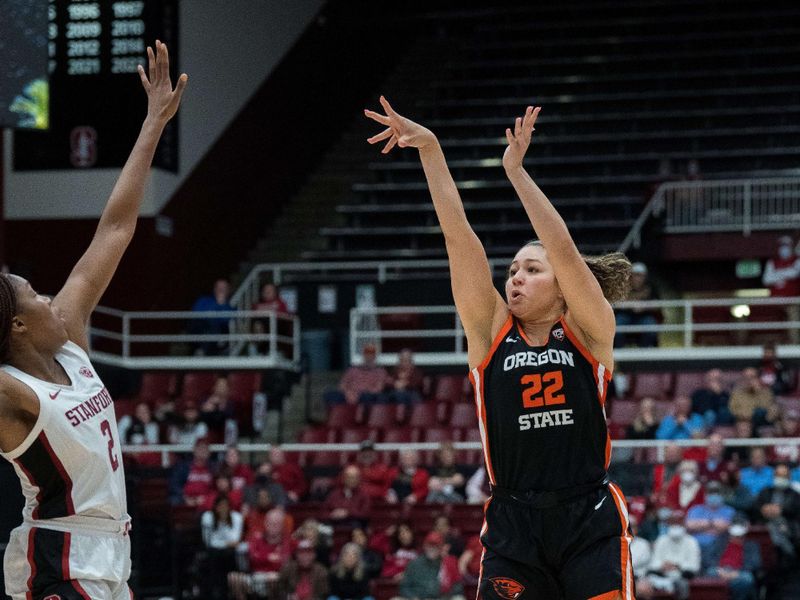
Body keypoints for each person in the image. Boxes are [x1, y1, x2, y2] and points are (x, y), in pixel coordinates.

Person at [366, 98, 634, 599]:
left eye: (532, 270)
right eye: (512, 270)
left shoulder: (591, 329)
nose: (516, 278)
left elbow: (566, 253)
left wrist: (516, 172)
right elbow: (458, 238)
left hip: (588, 518)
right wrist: (430, 149)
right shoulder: (490, 332)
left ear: (561, 286)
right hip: (514, 521)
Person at [0, 40, 186, 600]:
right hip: (58, 564)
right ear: (17, 327)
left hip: (111, 560)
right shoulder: (12, 393)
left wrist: (153, 121)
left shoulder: (69, 338)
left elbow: (115, 230)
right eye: (34, 294)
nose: (50, 297)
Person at [639, 514, 701, 600]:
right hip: (660, 575)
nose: (675, 527)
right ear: (668, 525)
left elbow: (694, 566)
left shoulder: (691, 542)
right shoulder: (661, 540)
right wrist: (662, 566)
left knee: (682, 586)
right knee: (643, 586)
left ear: (683, 525)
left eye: (678, 524)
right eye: (673, 524)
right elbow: (653, 563)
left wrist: (677, 566)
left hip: (681, 576)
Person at [394, 532, 465, 600]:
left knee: (459, 598)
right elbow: (404, 587)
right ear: (424, 546)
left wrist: (447, 595)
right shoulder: (414, 564)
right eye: (430, 545)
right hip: (419, 598)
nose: (432, 548)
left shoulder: (448, 563)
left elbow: (458, 587)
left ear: (441, 547)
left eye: (436, 546)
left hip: (441, 598)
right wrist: (413, 597)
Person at [703, 519, 761, 600]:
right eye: (734, 535)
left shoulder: (751, 545)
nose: (736, 538)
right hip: (719, 570)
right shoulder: (719, 541)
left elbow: (755, 563)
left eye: (739, 536)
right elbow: (708, 558)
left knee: (747, 578)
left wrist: (736, 573)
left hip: (739, 572)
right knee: (710, 573)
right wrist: (719, 570)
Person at [201, 494, 244, 600]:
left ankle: (233, 591)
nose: (223, 508)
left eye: (225, 506)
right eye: (220, 506)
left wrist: (224, 521)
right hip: (214, 553)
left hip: (231, 554)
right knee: (214, 554)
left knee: (230, 553)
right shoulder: (207, 517)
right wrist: (225, 543)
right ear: (215, 507)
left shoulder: (237, 517)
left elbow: (235, 540)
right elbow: (208, 542)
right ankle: (217, 593)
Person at [762, 235, 800, 343]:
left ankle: (794, 344)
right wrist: (785, 274)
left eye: (787, 246)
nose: (784, 249)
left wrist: (777, 274)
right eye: (782, 246)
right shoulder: (772, 262)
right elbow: (766, 279)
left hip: (792, 300)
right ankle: (771, 344)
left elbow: (794, 273)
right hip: (775, 300)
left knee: (793, 319)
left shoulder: (796, 261)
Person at [614, 262, 660, 348]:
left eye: (641, 275)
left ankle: (645, 352)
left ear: (645, 277)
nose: (638, 278)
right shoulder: (622, 287)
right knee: (617, 326)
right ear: (630, 276)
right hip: (624, 315)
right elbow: (615, 303)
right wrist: (630, 305)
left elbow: (657, 305)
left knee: (651, 326)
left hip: (644, 316)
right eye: (636, 275)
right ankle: (619, 352)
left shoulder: (651, 287)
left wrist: (644, 307)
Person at [326, 344, 390, 405]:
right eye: (367, 353)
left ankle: (362, 415)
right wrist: (348, 393)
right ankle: (336, 415)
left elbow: (378, 388)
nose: (369, 356)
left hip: (367, 396)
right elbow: (342, 385)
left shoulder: (380, 372)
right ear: (363, 355)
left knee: (367, 397)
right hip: (349, 395)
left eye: (371, 354)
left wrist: (359, 394)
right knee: (331, 394)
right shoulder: (352, 370)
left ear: (375, 356)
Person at [685, 481, 736, 552]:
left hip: (720, 548)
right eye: (711, 493)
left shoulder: (729, 510)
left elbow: (727, 527)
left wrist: (701, 527)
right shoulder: (695, 509)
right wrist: (712, 523)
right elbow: (689, 526)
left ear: (722, 494)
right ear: (705, 494)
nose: (714, 495)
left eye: (717, 493)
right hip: (696, 547)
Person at [190, 278, 236, 356]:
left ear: (228, 291)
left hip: (217, 332)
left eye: (224, 288)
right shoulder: (203, 300)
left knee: (215, 326)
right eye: (218, 287)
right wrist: (217, 307)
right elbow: (196, 313)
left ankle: (203, 351)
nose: (221, 290)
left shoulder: (230, 307)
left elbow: (226, 320)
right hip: (201, 329)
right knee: (206, 324)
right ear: (214, 289)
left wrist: (221, 305)